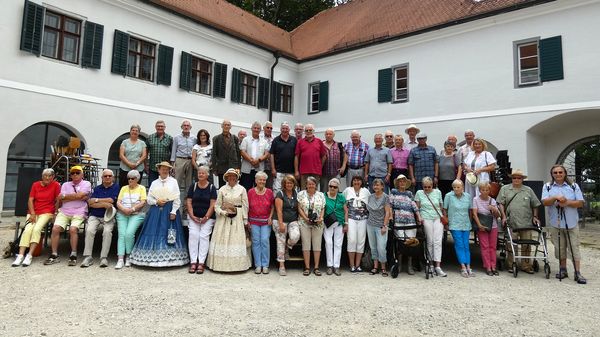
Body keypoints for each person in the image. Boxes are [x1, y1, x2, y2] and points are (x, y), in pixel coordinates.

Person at [129, 162, 189, 267]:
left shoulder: (173, 182)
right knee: (154, 231)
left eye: (166, 169)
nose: (164, 171)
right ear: (159, 170)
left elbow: (176, 197)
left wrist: (174, 211)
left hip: (169, 209)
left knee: (169, 231)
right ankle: (152, 257)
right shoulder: (154, 183)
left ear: (169, 170)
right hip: (156, 210)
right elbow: (149, 198)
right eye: (162, 169)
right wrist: (157, 202)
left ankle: (171, 259)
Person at [541, 164, 586, 284]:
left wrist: (567, 202)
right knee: (559, 248)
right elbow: (545, 202)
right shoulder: (548, 186)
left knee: (574, 247)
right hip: (556, 222)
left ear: (564, 173)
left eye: (560, 172)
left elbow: (581, 203)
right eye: (555, 173)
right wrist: (555, 197)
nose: (558, 174)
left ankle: (577, 272)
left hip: (571, 222)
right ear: (552, 174)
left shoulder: (573, 186)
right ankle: (563, 269)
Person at [12, 168, 60, 267]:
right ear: (42, 177)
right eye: (45, 175)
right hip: (33, 212)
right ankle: (20, 255)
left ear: (53, 177)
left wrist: (55, 212)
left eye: (50, 176)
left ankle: (29, 255)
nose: (47, 177)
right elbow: (30, 200)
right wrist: (33, 213)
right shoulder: (35, 184)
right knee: (27, 230)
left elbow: (58, 200)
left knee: (37, 229)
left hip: (47, 212)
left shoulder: (56, 185)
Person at [44, 166, 91, 266]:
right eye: (72, 173)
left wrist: (66, 196)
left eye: (77, 173)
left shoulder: (86, 183)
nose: (74, 175)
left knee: (73, 229)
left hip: (79, 211)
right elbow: (60, 199)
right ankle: (54, 254)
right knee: (55, 228)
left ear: (82, 174)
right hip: (64, 211)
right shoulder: (65, 184)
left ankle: (73, 254)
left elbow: (78, 196)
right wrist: (56, 212)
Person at [206, 168, 251, 272]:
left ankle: (237, 266)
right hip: (224, 219)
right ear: (226, 178)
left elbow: (245, 205)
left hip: (237, 218)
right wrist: (223, 212)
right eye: (229, 176)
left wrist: (245, 219)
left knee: (236, 239)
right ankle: (220, 266)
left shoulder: (242, 189)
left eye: (233, 176)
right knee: (223, 239)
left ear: (236, 177)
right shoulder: (222, 189)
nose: (231, 178)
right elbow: (216, 206)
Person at [497, 169, 541, 274]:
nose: (516, 179)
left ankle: (526, 265)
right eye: (514, 178)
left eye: (519, 178)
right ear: (511, 179)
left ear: (522, 179)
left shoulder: (528, 190)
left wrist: (535, 216)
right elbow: (500, 204)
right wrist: (503, 217)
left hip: (526, 222)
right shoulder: (505, 189)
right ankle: (512, 264)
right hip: (511, 221)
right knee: (511, 244)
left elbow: (535, 204)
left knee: (526, 244)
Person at [80, 169, 120, 268]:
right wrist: (103, 203)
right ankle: (88, 256)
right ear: (102, 178)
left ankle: (103, 258)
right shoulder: (97, 188)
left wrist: (96, 201)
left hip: (108, 216)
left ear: (113, 178)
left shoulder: (116, 187)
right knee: (89, 230)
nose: (107, 178)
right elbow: (90, 203)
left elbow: (111, 201)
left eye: (109, 176)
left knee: (107, 232)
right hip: (95, 215)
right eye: (105, 176)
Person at [186, 166, 217, 274]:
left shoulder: (212, 188)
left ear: (208, 175)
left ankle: (201, 263)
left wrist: (206, 217)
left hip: (207, 218)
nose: (200, 175)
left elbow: (213, 204)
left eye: (203, 173)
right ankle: (193, 262)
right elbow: (189, 202)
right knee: (193, 235)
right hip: (194, 217)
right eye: (199, 173)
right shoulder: (193, 186)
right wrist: (192, 215)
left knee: (204, 237)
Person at [389, 175, 422, 275]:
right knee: (400, 243)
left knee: (411, 243)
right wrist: (391, 217)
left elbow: (414, 206)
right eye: (400, 181)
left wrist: (419, 217)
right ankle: (398, 264)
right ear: (397, 183)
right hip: (398, 221)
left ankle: (409, 265)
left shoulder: (409, 193)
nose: (402, 183)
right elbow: (390, 205)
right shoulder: (393, 192)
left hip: (410, 221)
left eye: (404, 181)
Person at [414, 177, 447, 277]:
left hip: (437, 217)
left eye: (429, 186)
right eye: (425, 187)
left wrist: (444, 217)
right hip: (426, 217)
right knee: (430, 241)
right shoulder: (419, 193)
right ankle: (430, 264)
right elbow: (417, 207)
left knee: (438, 241)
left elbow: (441, 207)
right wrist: (418, 218)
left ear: (433, 185)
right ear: (422, 186)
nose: (427, 189)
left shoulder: (438, 192)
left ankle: (438, 266)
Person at [114, 170, 147, 269]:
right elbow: (118, 202)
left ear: (137, 179)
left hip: (136, 214)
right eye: (129, 178)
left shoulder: (142, 188)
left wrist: (132, 209)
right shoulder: (124, 188)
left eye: (132, 178)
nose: (130, 180)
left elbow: (143, 202)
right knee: (122, 234)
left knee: (129, 233)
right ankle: (120, 258)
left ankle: (129, 256)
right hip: (122, 214)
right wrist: (124, 209)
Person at [272, 174, 301, 276]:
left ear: (294, 184)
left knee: (295, 236)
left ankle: (287, 246)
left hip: (293, 220)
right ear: (284, 184)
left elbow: (298, 208)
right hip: (279, 220)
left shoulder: (296, 193)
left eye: (291, 182)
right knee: (280, 241)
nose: (289, 184)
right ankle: (281, 266)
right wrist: (280, 224)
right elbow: (279, 210)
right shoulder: (280, 194)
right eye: (287, 183)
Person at [443, 180, 473, 277]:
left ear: (462, 187)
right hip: (454, 224)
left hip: (466, 224)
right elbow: (445, 210)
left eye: (458, 187)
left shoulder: (467, 196)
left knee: (466, 245)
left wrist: (470, 221)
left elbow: (470, 210)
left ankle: (468, 266)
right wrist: (446, 222)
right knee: (459, 244)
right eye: (454, 187)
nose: (456, 189)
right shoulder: (448, 196)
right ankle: (463, 267)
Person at [297, 176, 326, 276]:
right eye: (309, 184)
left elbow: (323, 208)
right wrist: (305, 218)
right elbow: (299, 208)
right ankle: (307, 267)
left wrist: (321, 218)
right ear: (306, 184)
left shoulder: (321, 195)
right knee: (306, 245)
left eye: (313, 184)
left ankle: (317, 267)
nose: (311, 185)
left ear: (316, 185)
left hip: (318, 223)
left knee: (317, 245)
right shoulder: (301, 194)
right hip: (304, 223)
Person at [247, 171, 274, 274]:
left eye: (264, 180)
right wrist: (248, 220)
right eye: (260, 179)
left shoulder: (269, 192)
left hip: (265, 221)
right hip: (253, 221)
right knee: (256, 242)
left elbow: (272, 206)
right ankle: (258, 265)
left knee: (265, 241)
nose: (262, 181)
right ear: (256, 180)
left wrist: (270, 217)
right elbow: (247, 207)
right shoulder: (250, 192)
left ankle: (265, 265)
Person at [472, 182, 501, 276]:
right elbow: (474, 213)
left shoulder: (492, 200)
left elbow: (497, 216)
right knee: (485, 247)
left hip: (493, 225)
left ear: (489, 191)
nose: (485, 191)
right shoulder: (475, 199)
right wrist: (479, 225)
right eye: (483, 190)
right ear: (479, 190)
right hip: (482, 225)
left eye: (487, 190)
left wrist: (495, 210)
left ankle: (493, 266)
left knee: (493, 247)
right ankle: (488, 266)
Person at [343, 175, 370, 272]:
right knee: (352, 240)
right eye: (354, 180)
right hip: (351, 219)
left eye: (358, 180)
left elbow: (369, 205)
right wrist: (345, 222)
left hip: (363, 219)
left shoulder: (366, 191)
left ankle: (358, 265)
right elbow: (344, 206)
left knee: (361, 241)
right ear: (352, 182)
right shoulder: (347, 190)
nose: (356, 182)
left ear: (361, 182)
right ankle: (352, 265)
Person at [171, 120, 197, 216]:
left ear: (190, 127)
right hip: (179, 160)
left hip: (190, 160)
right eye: (184, 125)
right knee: (176, 182)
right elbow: (174, 150)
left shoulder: (194, 138)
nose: (186, 127)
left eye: (188, 125)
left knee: (189, 183)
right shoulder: (177, 137)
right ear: (182, 127)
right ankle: (175, 205)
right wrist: (173, 164)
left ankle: (186, 207)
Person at [366, 178, 391, 277]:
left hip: (381, 226)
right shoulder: (370, 197)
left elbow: (387, 212)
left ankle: (383, 267)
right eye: (374, 185)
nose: (376, 186)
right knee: (373, 247)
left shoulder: (386, 197)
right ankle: (375, 267)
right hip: (370, 224)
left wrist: (385, 226)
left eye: (378, 185)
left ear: (382, 187)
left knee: (381, 247)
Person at [323, 178, 347, 276]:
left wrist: (346, 223)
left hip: (339, 222)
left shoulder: (341, 197)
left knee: (338, 244)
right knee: (328, 243)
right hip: (328, 223)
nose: (332, 188)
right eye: (331, 186)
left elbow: (346, 211)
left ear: (338, 188)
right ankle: (329, 265)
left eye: (335, 187)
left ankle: (336, 266)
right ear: (328, 187)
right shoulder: (323, 196)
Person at [294, 124, 326, 190]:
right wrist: (296, 171)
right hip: (303, 172)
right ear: (304, 132)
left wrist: (320, 166)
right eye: (307, 130)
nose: (308, 132)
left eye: (310, 130)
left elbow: (324, 156)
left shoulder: (319, 141)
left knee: (314, 191)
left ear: (313, 131)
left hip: (316, 172)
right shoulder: (300, 142)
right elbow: (296, 157)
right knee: (304, 191)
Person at [239, 121, 270, 191]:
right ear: (251, 129)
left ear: (260, 130)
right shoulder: (245, 139)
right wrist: (251, 161)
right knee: (245, 190)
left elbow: (267, 154)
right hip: (247, 170)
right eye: (255, 128)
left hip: (259, 169)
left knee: (259, 189)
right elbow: (242, 152)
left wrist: (258, 160)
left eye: (258, 128)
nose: (256, 130)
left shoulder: (264, 141)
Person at [211, 120, 241, 188]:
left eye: (228, 125)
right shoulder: (216, 138)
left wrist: (239, 167)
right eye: (225, 125)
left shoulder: (235, 138)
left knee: (234, 186)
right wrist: (214, 168)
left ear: (230, 127)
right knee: (222, 187)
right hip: (221, 167)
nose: (226, 126)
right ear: (222, 126)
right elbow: (214, 154)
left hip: (233, 166)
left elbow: (238, 153)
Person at [270, 122, 297, 193]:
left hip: (291, 171)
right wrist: (273, 169)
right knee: (277, 190)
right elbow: (272, 154)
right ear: (280, 129)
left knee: (291, 189)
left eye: (286, 129)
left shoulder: (294, 140)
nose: (285, 130)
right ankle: (277, 204)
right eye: (283, 128)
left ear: (289, 130)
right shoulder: (275, 140)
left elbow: (296, 156)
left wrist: (296, 170)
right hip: (279, 171)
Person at [119, 124, 147, 188]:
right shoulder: (124, 142)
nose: (134, 132)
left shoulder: (142, 143)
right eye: (133, 130)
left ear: (139, 133)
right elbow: (121, 155)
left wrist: (136, 164)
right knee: (123, 187)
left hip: (138, 168)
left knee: (136, 187)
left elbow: (144, 156)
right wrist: (129, 164)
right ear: (130, 131)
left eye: (136, 131)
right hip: (125, 168)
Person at [146, 120, 172, 187]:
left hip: (165, 168)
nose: (160, 128)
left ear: (164, 127)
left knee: (165, 186)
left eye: (161, 126)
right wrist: (145, 165)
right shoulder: (150, 137)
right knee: (152, 186)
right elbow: (145, 152)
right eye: (158, 126)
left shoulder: (169, 138)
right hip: (152, 168)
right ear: (155, 127)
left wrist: (172, 166)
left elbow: (172, 153)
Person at [262, 121, 274, 188]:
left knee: (269, 186)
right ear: (264, 128)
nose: (269, 129)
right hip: (261, 166)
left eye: (271, 128)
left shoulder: (275, 139)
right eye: (268, 127)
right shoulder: (259, 138)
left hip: (270, 167)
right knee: (260, 185)